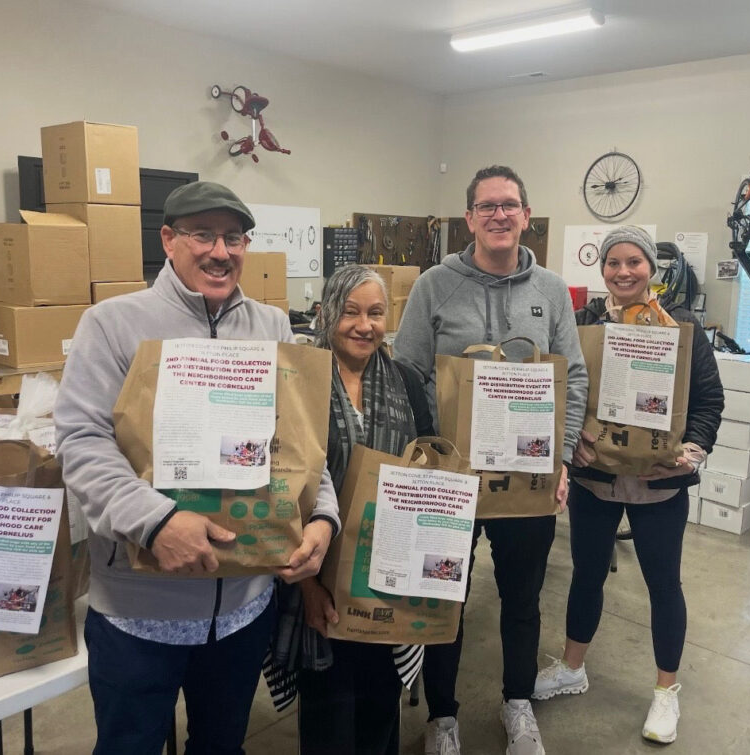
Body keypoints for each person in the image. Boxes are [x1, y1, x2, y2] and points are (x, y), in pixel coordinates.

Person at [55, 181, 340, 755]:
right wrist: (156, 521)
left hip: (241, 610)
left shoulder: (272, 328)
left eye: (234, 237)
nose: (220, 251)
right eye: (202, 234)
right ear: (168, 240)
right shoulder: (112, 325)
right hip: (139, 612)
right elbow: (81, 442)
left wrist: (324, 519)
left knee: (221, 746)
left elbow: (302, 446)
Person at [394, 166, 588, 755]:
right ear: (471, 218)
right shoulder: (435, 284)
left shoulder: (551, 290)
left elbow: (572, 376)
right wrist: (429, 457)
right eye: (487, 207)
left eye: (509, 205)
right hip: (453, 476)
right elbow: (407, 373)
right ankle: (443, 717)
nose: (499, 215)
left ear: (526, 216)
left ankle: (518, 703)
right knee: (444, 594)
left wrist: (562, 460)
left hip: (527, 477)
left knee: (523, 598)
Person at [531, 225, 723, 745]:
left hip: (660, 484)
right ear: (603, 271)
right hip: (597, 479)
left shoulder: (682, 327)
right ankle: (573, 667)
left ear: (650, 269)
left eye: (634, 262)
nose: (623, 272)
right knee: (586, 574)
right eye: (613, 263)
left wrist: (691, 451)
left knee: (664, 584)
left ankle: (666, 692)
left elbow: (707, 402)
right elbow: (562, 389)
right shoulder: (584, 324)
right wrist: (571, 440)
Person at [293, 264, 436, 755]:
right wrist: (307, 586)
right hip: (319, 570)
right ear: (328, 313)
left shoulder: (405, 381)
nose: (364, 325)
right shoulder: (299, 380)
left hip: (386, 576)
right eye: (351, 312)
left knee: (380, 709)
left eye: (376, 313)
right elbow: (285, 485)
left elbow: (427, 469)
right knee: (328, 714)